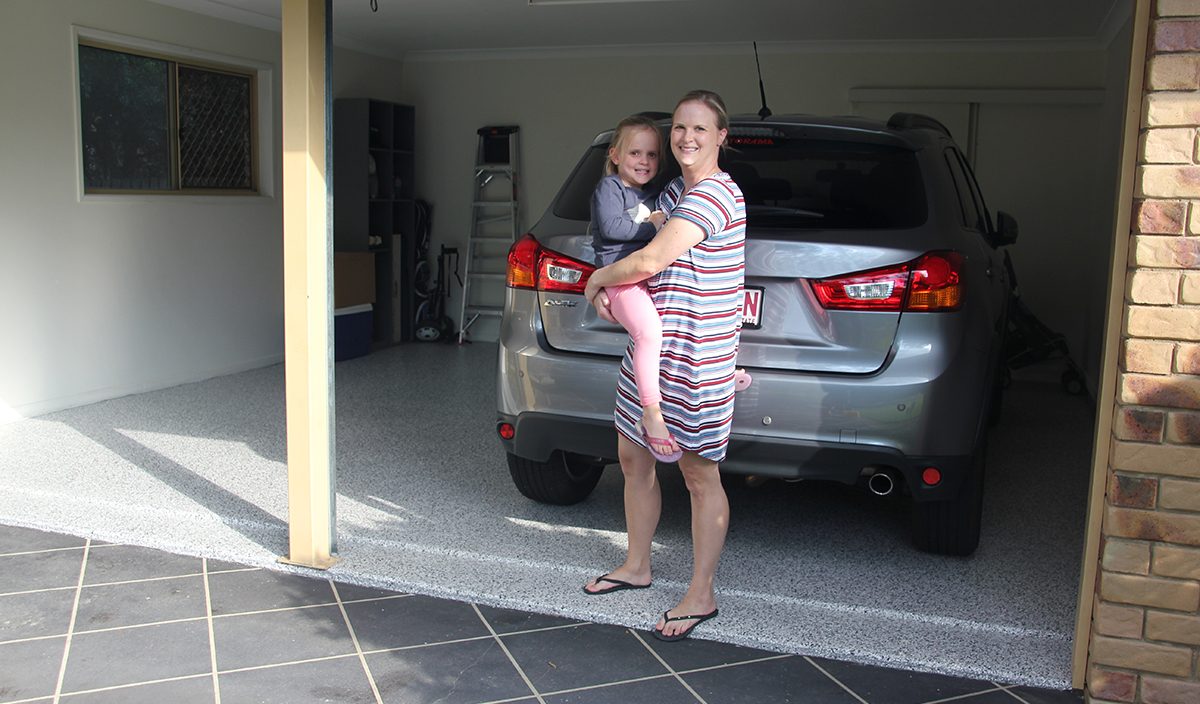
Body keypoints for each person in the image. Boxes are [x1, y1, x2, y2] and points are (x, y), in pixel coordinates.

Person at [581, 90, 745, 643]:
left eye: (700, 128)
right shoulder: (673, 189)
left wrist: (596, 280)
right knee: (632, 458)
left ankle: (701, 594)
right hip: (650, 352)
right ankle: (637, 565)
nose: (686, 138)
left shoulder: (715, 195)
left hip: (694, 357)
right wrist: (614, 291)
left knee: (700, 476)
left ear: (722, 136)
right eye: (679, 127)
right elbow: (629, 246)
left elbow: (650, 257)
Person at [589, 115, 676, 461]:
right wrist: (654, 228)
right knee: (650, 334)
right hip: (620, 279)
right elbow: (612, 228)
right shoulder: (609, 189)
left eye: (652, 155)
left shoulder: (655, 192)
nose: (644, 162)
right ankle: (651, 414)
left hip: (645, 277)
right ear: (615, 155)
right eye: (636, 153)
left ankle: (726, 372)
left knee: (682, 323)